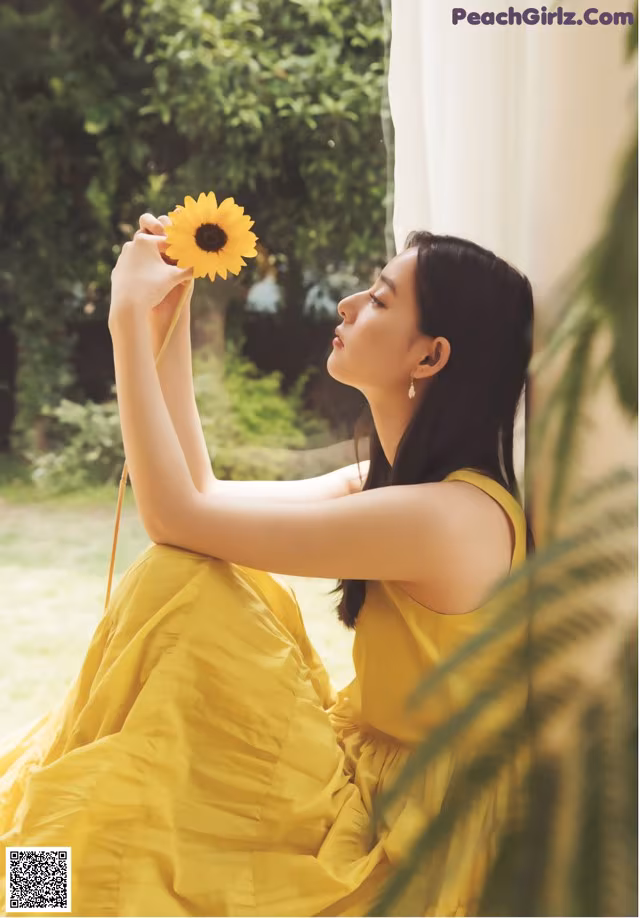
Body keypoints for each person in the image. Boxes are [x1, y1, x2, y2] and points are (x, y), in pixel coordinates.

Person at [0, 224, 535, 917]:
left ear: (429, 356)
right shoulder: (394, 490)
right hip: (363, 774)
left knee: (180, 589)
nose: (345, 305)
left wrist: (125, 321)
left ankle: (32, 889)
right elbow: (202, 497)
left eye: (376, 299)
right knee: (183, 595)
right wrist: (169, 318)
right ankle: (32, 885)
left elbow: (176, 516)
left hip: (403, 838)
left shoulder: (450, 517)